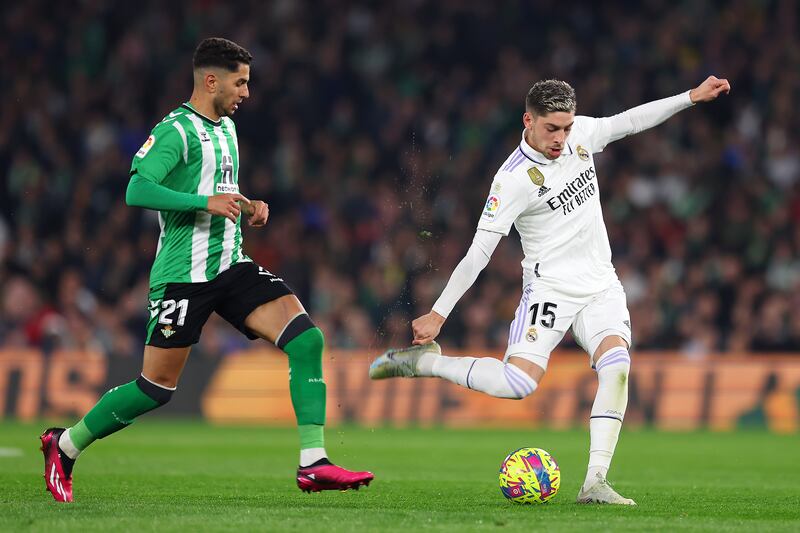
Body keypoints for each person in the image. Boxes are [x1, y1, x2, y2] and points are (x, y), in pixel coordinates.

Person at [40, 37, 373, 503]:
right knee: (155, 389)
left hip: (231, 266)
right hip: (183, 276)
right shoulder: (175, 130)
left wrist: (248, 205)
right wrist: (205, 203)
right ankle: (66, 444)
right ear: (211, 80)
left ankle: (313, 462)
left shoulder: (227, 129)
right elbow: (137, 189)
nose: (247, 93)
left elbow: (219, 192)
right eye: (240, 82)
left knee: (306, 339)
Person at [370, 76, 730, 505]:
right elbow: (479, 252)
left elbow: (629, 122)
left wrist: (689, 98)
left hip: (600, 285)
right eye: (552, 129)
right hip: (550, 291)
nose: (561, 138)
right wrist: (439, 313)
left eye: (567, 127)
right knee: (517, 383)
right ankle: (426, 365)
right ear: (529, 120)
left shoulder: (580, 135)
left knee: (616, 366)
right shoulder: (512, 181)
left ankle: (594, 482)